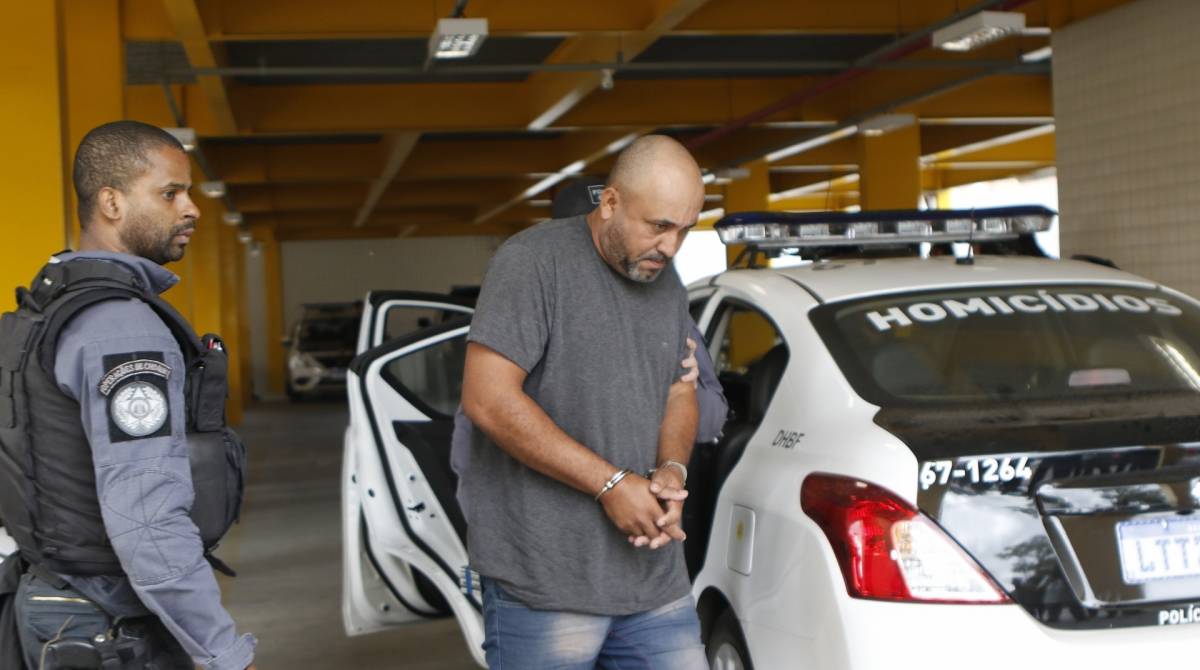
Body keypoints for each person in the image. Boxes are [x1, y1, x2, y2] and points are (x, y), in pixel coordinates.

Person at [0, 121, 255, 669]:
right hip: (106, 621)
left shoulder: (43, 312)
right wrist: (223, 651)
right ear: (112, 202)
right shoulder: (122, 330)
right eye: (170, 193)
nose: (192, 209)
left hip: (51, 599)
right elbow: (146, 519)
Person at [461, 135, 709, 668]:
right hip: (547, 580)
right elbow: (487, 399)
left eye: (685, 230)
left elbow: (679, 388)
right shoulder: (533, 263)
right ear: (611, 202)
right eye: (659, 225)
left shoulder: (664, 279)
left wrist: (672, 469)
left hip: (653, 580)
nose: (671, 247)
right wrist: (610, 484)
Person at [449, 177, 727, 520]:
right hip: (544, 531)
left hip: (638, 527)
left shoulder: (667, 311)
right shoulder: (525, 313)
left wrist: (680, 389)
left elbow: (709, 421)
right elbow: (479, 424)